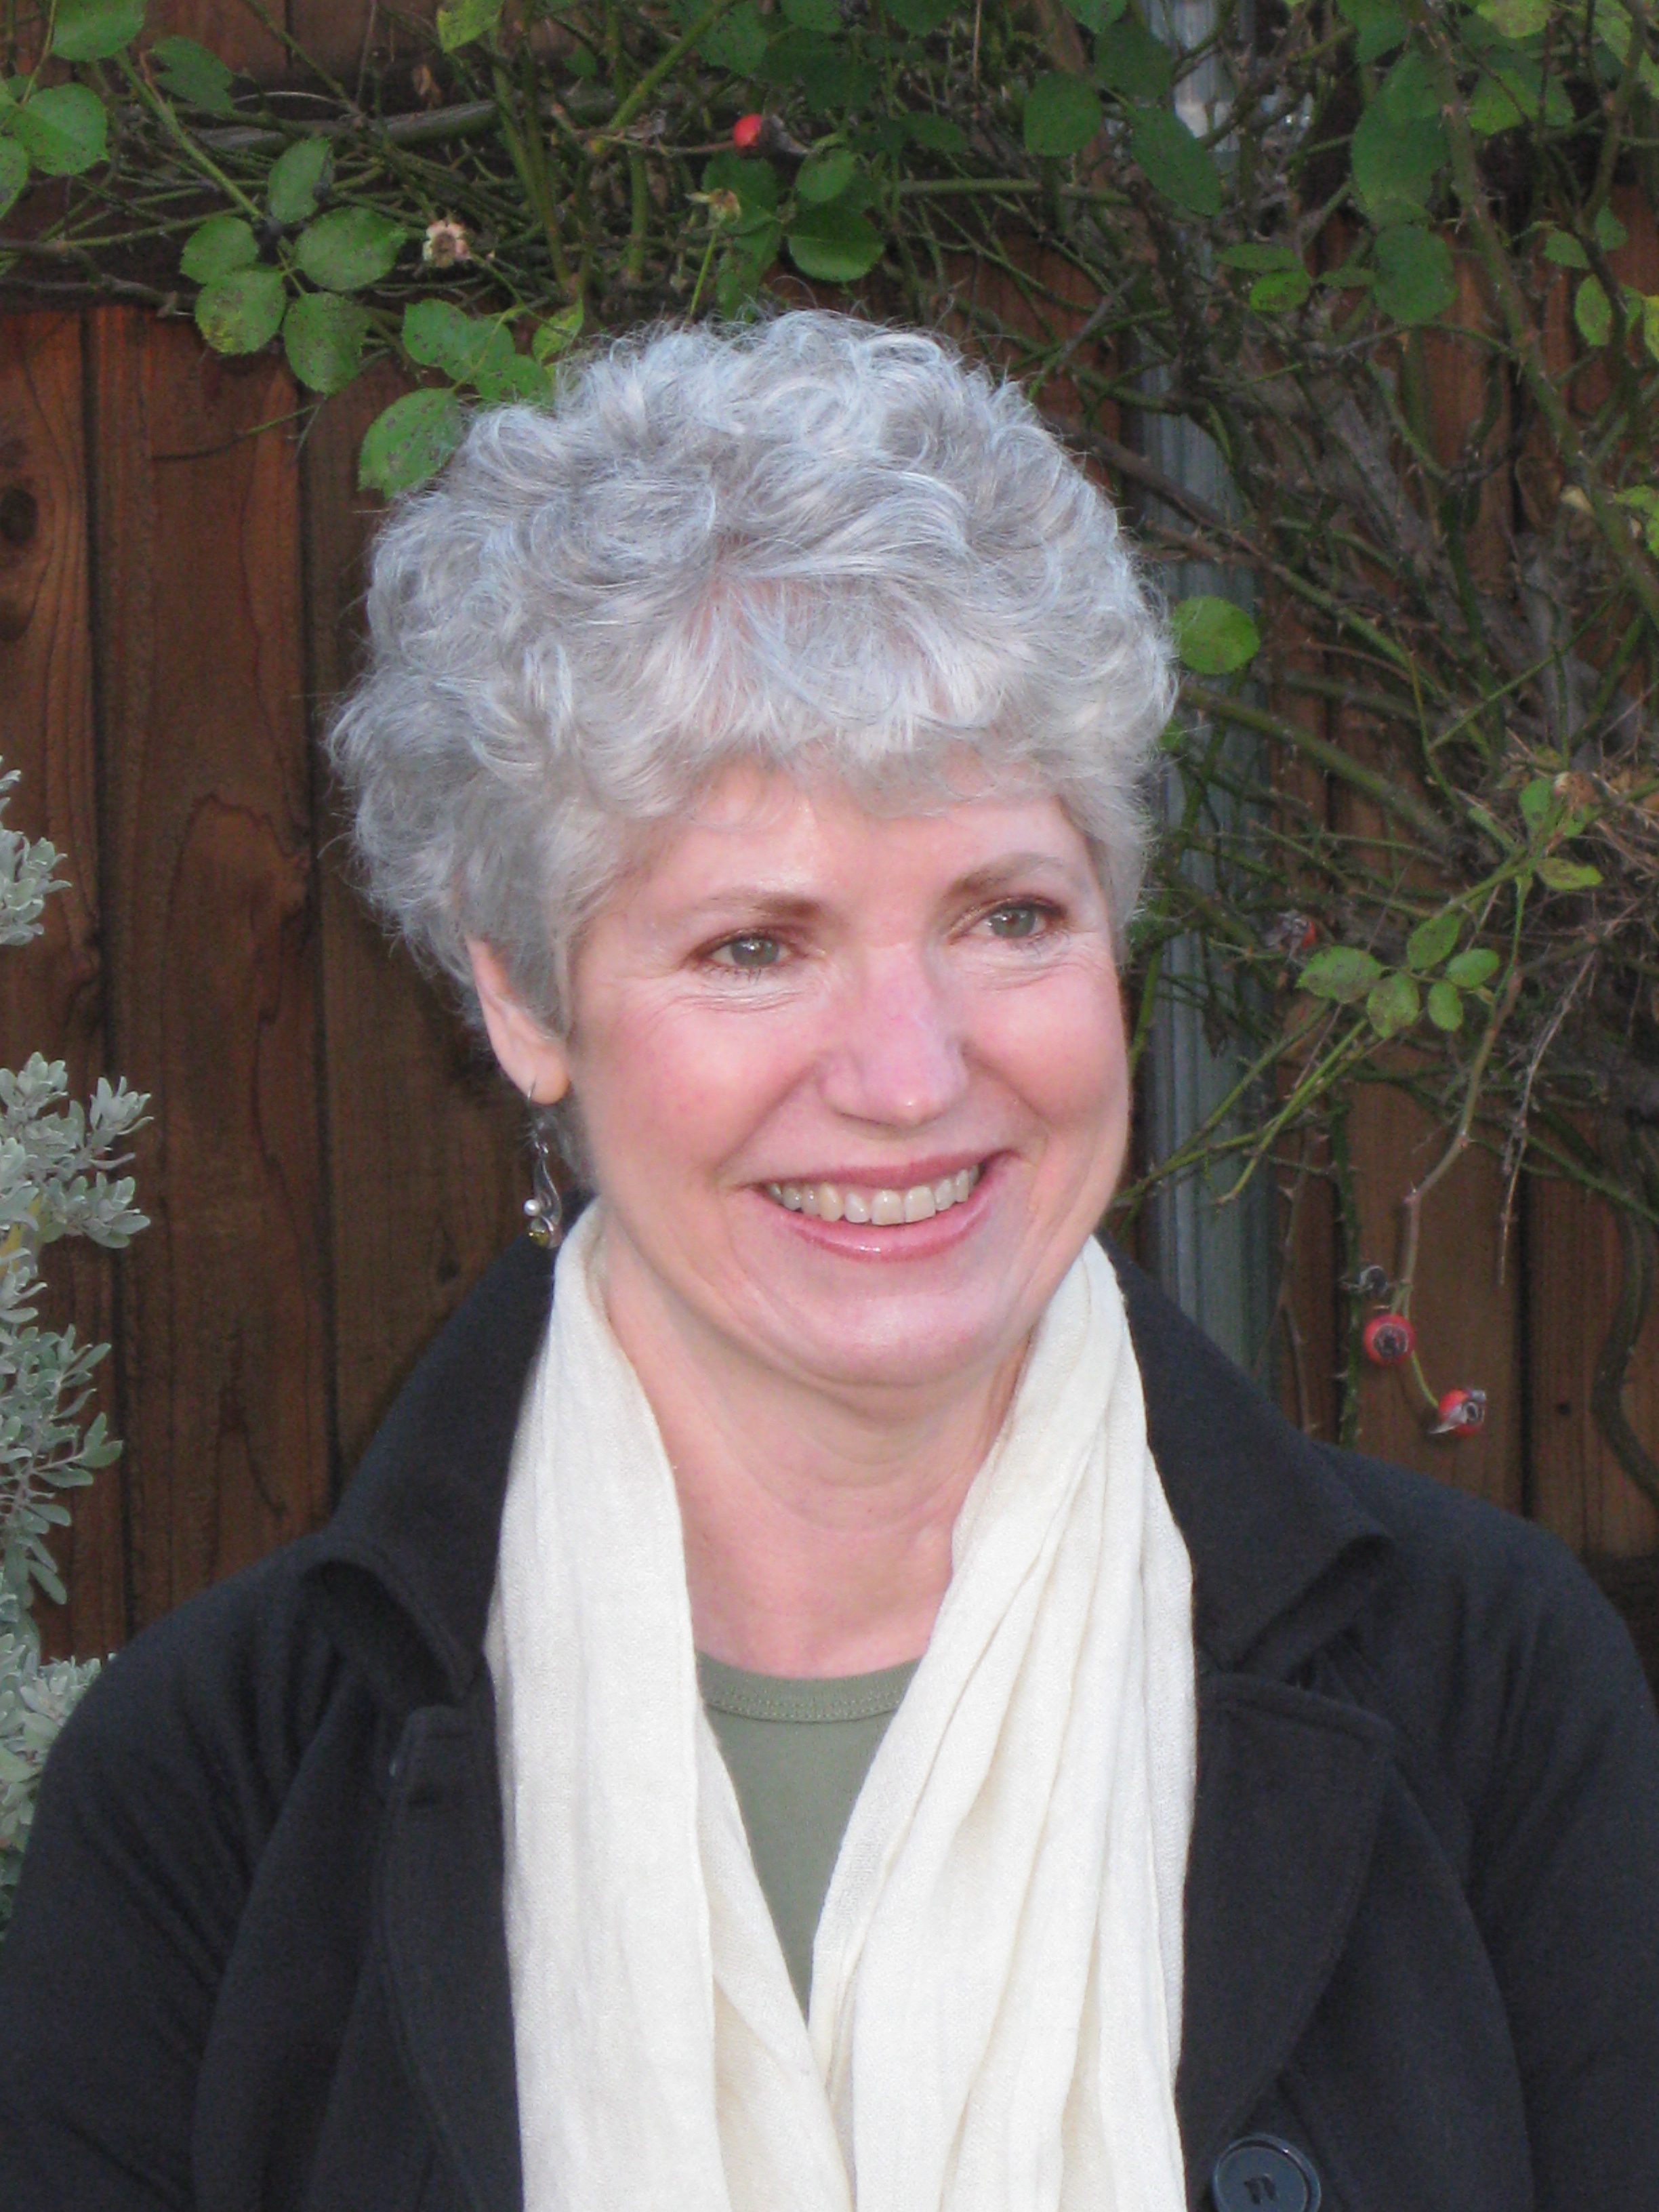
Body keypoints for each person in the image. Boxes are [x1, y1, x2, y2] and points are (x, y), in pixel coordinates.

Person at [1, 310, 1655, 2212]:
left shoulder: (1490, 1692)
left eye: (1007, 916)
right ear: (522, 999)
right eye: (755, 947)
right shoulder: (218, 1784)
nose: (909, 1075)